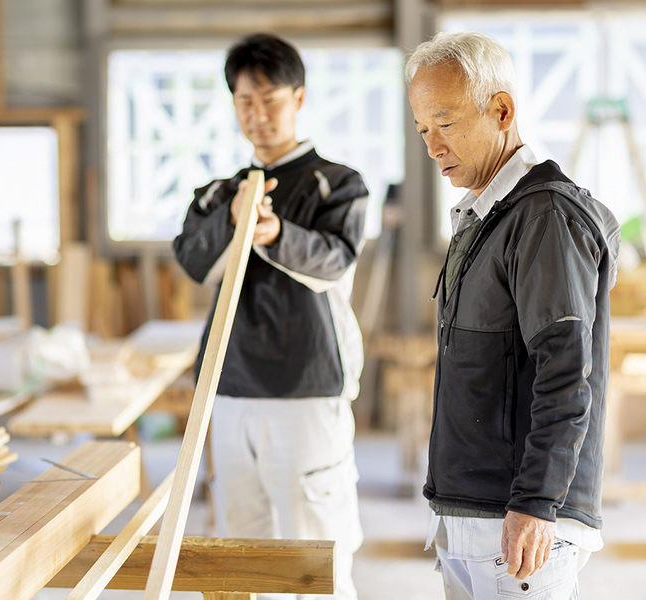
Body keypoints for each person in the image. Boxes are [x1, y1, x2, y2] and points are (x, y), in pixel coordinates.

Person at [405, 31, 620, 599]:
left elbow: (568, 375)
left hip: (516, 519)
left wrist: (536, 502)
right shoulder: (486, 216)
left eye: (445, 124)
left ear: (501, 109)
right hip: (472, 508)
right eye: (423, 129)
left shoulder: (545, 215)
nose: (432, 147)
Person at [173, 33, 368, 600]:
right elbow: (192, 262)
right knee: (239, 543)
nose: (257, 115)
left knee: (316, 549)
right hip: (229, 387)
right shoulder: (218, 194)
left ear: (299, 98)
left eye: (270, 100)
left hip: (306, 386)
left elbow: (337, 260)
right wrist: (233, 222)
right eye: (244, 102)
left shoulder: (339, 183)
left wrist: (276, 232)